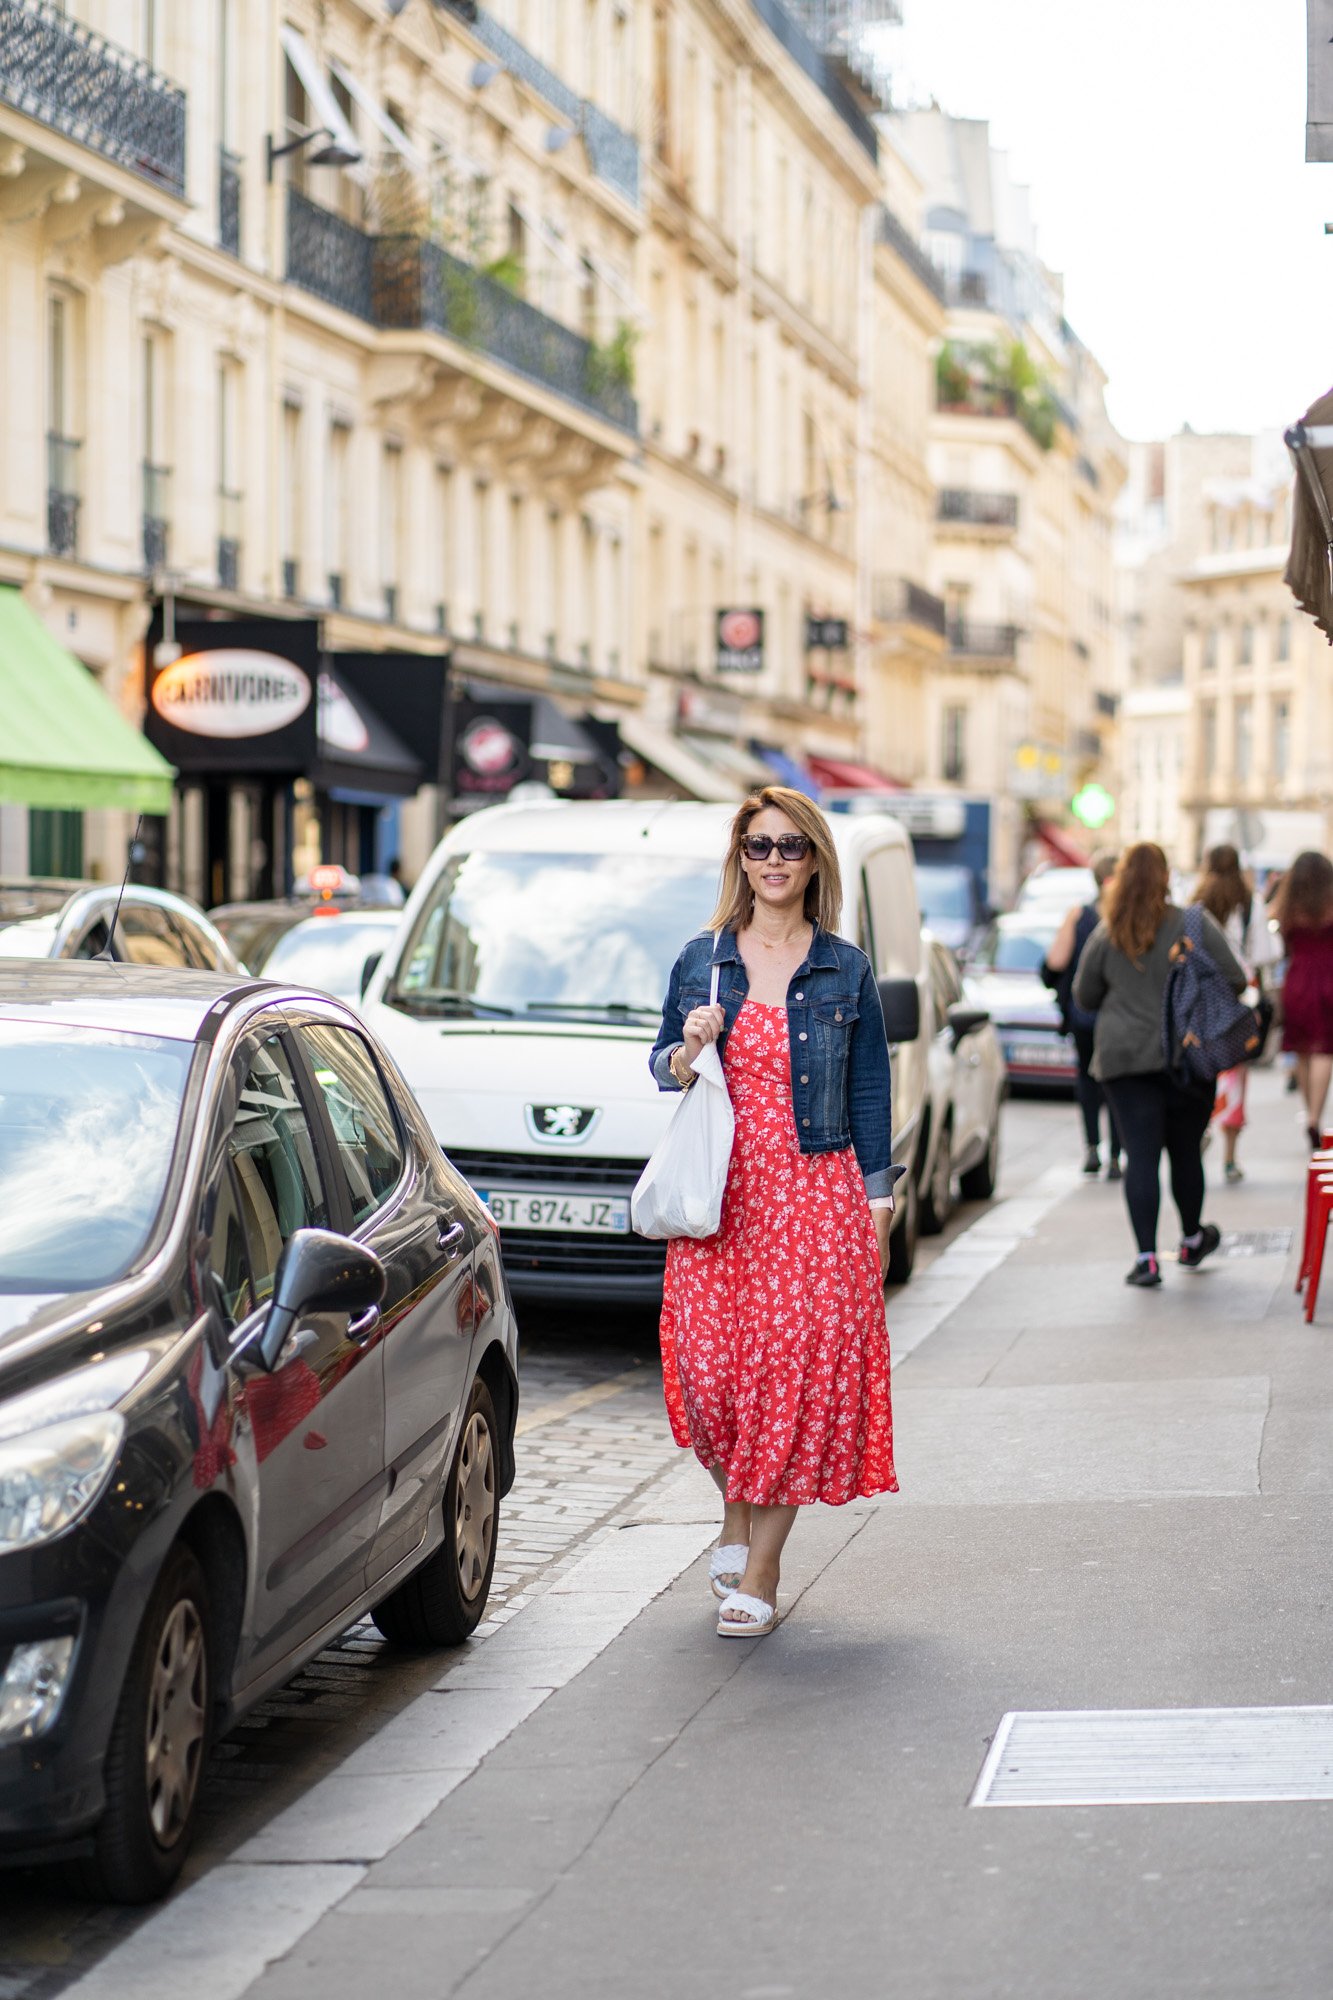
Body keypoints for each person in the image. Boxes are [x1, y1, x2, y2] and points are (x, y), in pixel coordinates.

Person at [649, 787, 901, 1637]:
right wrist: (687, 1048)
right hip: (720, 1197)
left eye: (790, 846)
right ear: (741, 858)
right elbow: (660, 1065)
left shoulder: (844, 967)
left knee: (791, 1381)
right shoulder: (702, 959)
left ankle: (762, 1566)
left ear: (814, 859)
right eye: (758, 846)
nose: (773, 860)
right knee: (710, 1380)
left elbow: (869, 1092)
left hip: (814, 1195)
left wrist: (878, 1203)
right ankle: (735, 1509)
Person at [1074, 841, 1245, 1288]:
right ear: (1167, 877)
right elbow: (1236, 978)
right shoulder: (1193, 924)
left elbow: (1084, 996)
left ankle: (1147, 1259)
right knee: (1186, 1151)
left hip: (1124, 1059)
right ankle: (1190, 1240)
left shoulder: (1108, 931)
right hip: (1186, 1057)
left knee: (1141, 1155)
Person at [1042, 848, 1123, 1179]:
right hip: (1120, 1017)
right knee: (1117, 1082)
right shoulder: (1129, 917)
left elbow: (1055, 962)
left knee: (1088, 1081)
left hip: (1085, 1014)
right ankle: (1116, 1155)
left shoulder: (1080, 915)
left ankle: (1092, 1149)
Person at [1195, 843, 1269, 1183]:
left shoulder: (1195, 902)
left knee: (1202, 1065)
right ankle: (1229, 1157)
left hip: (1202, 994)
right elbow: (1265, 953)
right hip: (1241, 994)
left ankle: (1202, 1127)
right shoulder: (1250, 903)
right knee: (1235, 1072)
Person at [1271, 850, 1333, 1148]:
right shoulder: (1330, 904)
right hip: (1329, 979)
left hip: (1296, 981)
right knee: (1325, 1050)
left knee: (1302, 1050)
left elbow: (1278, 937)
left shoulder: (1288, 906)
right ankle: (1314, 1117)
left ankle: (1310, 1114)